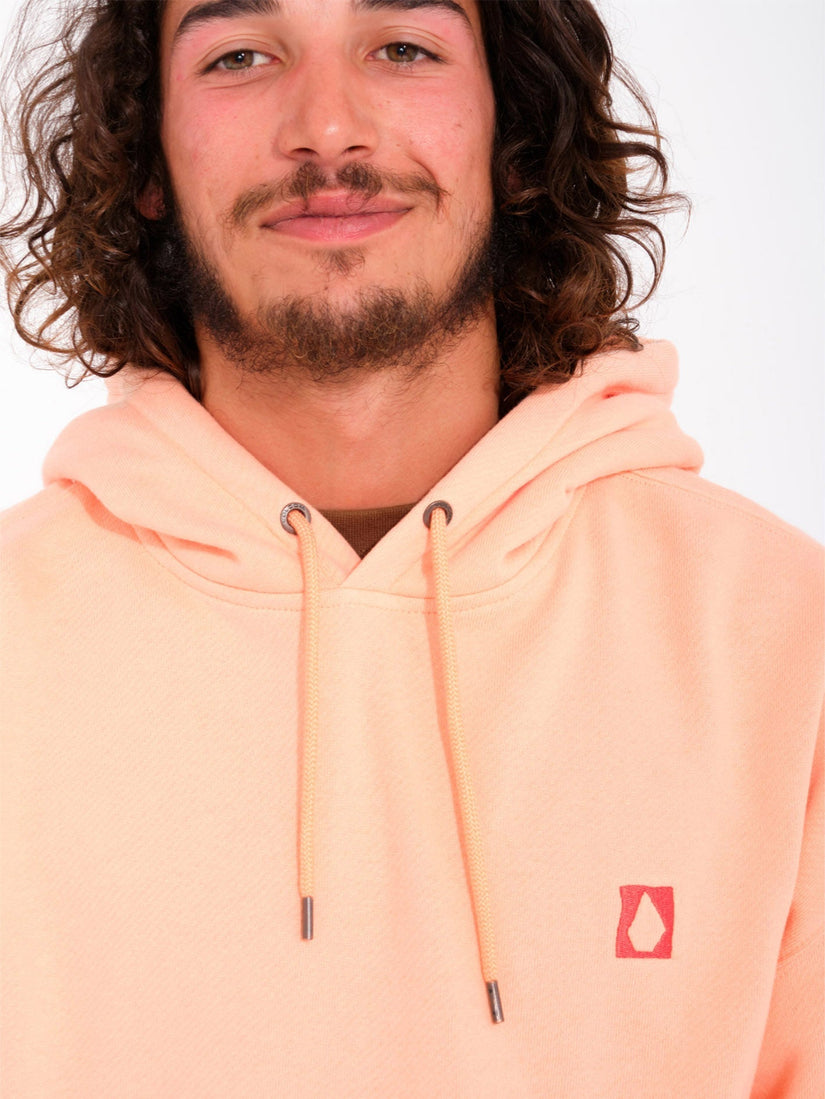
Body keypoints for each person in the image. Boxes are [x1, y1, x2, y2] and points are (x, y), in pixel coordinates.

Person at [0, 0, 821, 1094]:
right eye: (239, 56)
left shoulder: (781, 637)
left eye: (402, 48)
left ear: (512, 132)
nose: (327, 128)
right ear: (147, 156)